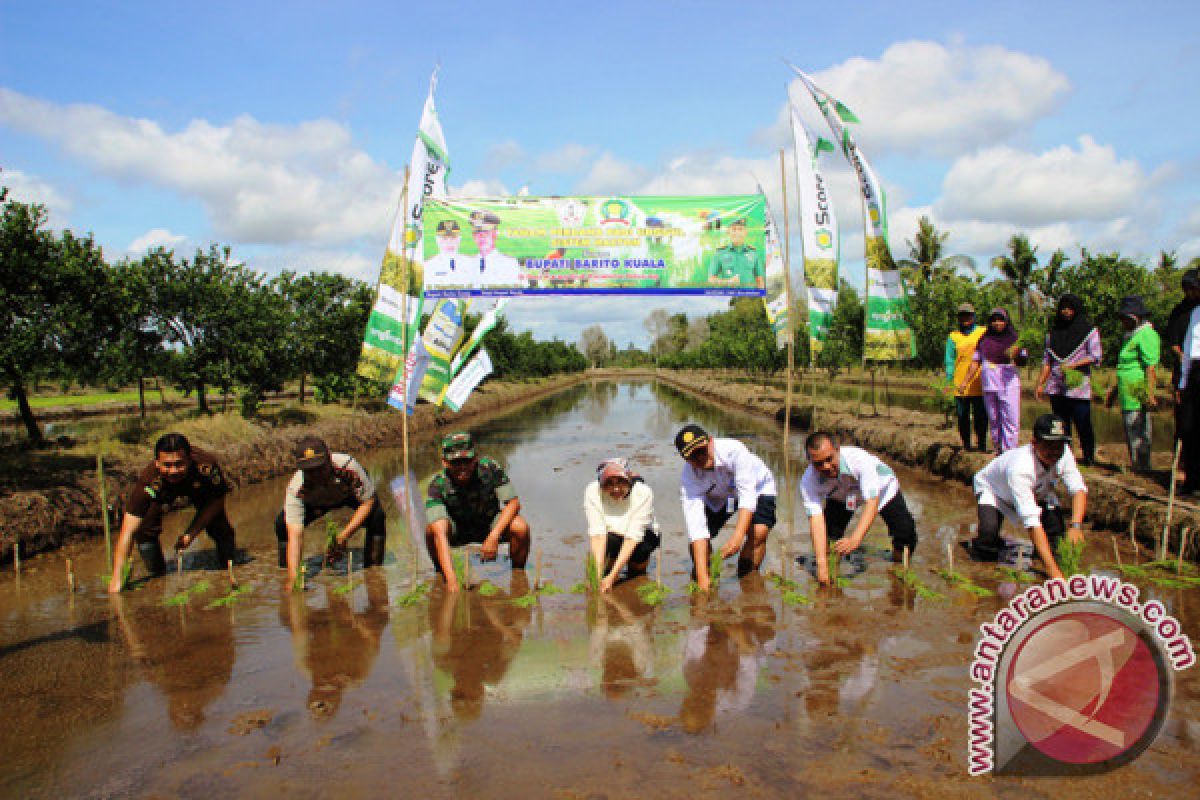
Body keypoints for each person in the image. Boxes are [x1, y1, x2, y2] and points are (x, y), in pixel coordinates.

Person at [107, 433, 236, 593]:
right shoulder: (149, 481)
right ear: (157, 463)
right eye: (167, 465)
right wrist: (117, 578)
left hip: (200, 489)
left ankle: (230, 567)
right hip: (163, 492)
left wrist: (191, 533)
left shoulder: (206, 467)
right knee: (144, 529)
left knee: (219, 525)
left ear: (189, 460)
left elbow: (217, 500)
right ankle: (157, 577)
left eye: (179, 464)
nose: (173, 471)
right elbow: (128, 530)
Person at [965, 414, 1088, 580]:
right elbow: (1031, 522)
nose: (1054, 452)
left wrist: (1076, 526)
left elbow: (1078, 488)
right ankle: (981, 546)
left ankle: (1041, 557)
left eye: (1059, 446)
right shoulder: (1020, 468)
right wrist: (1053, 571)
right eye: (1049, 445)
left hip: (1039, 492)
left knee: (1056, 540)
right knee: (988, 536)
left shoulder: (1064, 454)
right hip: (995, 491)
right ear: (1034, 442)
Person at [800, 432, 918, 584]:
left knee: (905, 533)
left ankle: (898, 566)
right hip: (842, 495)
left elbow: (872, 502)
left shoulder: (860, 461)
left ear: (837, 450)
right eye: (818, 463)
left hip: (882, 490)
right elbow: (816, 519)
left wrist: (856, 539)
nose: (826, 467)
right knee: (829, 537)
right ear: (809, 461)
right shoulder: (808, 481)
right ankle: (832, 575)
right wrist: (821, 564)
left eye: (829, 459)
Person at [425, 431, 531, 591]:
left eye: (467, 461)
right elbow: (440, 534)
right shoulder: (437, 484)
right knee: (431, 530)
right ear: (445, 462)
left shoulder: (489, 468)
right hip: (457, 531)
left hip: (488, 525)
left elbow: (513, 503)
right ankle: (441, 572)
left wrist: (494, 536)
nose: (462, 467)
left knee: (520, 527)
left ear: (475, 458)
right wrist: (453, 582)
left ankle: (518, 574)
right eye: (456, 462)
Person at [276, 436, 386, 587]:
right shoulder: (297, 488)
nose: (316, 476)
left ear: (329, 458)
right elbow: (295, 534)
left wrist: (343, 536)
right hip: (315, 502)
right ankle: (285, 569)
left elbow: (367, 502)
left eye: (320, 468)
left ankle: (374, 571)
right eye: (310, 471)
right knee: (282, 524)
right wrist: (294, 579)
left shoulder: (348, 466)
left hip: (347, 495)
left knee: (377, 516)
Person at [676, 423, 776, 590]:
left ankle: (747, 579)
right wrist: (702, 579)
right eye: (692, 456)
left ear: (710, 441)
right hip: (719, 496)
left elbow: (747, 495)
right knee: (698, 542)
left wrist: (737, 538)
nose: (699, 457)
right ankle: (705, 576)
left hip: (757, 487)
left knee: (758, 532)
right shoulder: (689, 479)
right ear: (685, 459)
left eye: (702, 450)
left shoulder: (734, 450)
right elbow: (697, 528)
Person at [1036, 294, 1102, 466]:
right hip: (1057, 385)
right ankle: (1066, 456)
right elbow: (1047, 362)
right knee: (1061, 423)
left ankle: (1088, 457)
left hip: (1078, 385)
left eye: (1070, 308)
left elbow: (1095, 356)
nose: (1066, 312)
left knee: (1082, 422)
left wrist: (1073, 365)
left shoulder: (1089, 331)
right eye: (1063, 308)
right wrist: (1040, 383)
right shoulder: (1053, 334)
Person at [584, 458, 661, 592]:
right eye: (609, 483)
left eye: (621, 482)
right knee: (607, 554)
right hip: (612, 535)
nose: (616, 489)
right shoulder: (592, 492)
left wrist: (613, 577)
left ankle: (631, 571)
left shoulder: (643, 492)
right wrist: (597, 576)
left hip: (641, 536)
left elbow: (633, 536)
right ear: (601, 483)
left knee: (636, 571)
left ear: (629, 478)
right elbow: (597, 535)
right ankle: (608, 570)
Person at [1106, 295, 1160, 471]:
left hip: (1138, 393)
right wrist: (1113, 392)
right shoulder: (1130, 336)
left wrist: (1149, 393)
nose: (1123, 322)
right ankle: (1136, 464)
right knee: (1131, 428)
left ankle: (1142, 467)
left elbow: (1150, 367)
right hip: (1126, 393)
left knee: (1140, 429)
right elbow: (1123, 367)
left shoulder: (1146, 334)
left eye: (1126, 319)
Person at [961, 308, 1024, 453]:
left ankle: (1010, 452)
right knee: (994, 419)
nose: (997, 323)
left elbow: (1023, 361)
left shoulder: (1015, 339)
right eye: (994, 320)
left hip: (1009, 386)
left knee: (1010, 419)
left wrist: (1017, 355)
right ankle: (998, 449)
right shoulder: (984, 339)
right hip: (989, 385)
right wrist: (965, 382)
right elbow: (975, 362)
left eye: (1000, 319)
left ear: (1006, 321)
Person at [1168, 270, 1200, 493]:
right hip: (1195, 374)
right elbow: (1187, 351)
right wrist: (1182, 383)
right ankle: (1192, 481)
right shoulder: (1193, 313)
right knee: (1189, 429)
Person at [945, 302, 987, 450]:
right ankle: (967, 445)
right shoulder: (953, 336)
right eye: (962, 315)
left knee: (981, 416)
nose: (965, 318)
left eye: (968, 315)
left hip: (979, 382)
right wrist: (948, 382)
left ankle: (981, 444)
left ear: (974, 316)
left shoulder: (983, 332)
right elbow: (949, 360)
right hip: (959, 383)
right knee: (963, 417)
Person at [467, 210, 521, 288]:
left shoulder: (509, 263)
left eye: (486, 232)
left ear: (495, 233)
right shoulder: (467, 263)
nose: (482, 236)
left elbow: (515, 292)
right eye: (477, 232)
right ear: (473, 236)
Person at [707, 218, 765, 289]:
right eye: (734, 229)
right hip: (728, 297)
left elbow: (759, 280)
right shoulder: (720, 253)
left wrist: (761, 297)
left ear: (745, 232)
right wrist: (727, 282)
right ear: (728, 232)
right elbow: (711, 280)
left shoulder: (754, 253)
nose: (737, 232)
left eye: (740, 229)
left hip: (749, 297)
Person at [423, 218, 467, 289]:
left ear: (459, 239)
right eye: (444, 238)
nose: (449, 242)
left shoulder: (469, 263)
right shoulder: (428, 266)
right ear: (437, 240)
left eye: (453, 238)